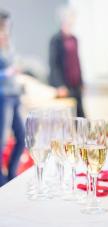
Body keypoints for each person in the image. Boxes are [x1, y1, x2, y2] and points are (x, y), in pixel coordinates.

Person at [0, 10, 25, 186]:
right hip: (3, 97)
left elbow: (14, 62)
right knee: (1, 141)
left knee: (22, 136)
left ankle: (12, 173)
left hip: (15, 95)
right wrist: (7, 73)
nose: (7, 27)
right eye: (4, 23)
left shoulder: (8, 42)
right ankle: (1, 180)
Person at [48, 6, 85, 117]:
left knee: (81, 116)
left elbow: (77, 61)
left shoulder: (74, 38)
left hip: (76, 84)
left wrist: (82, 81)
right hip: (64, 85)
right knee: (68, 118)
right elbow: (53, 64)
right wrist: (60, 85)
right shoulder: (56, 39)